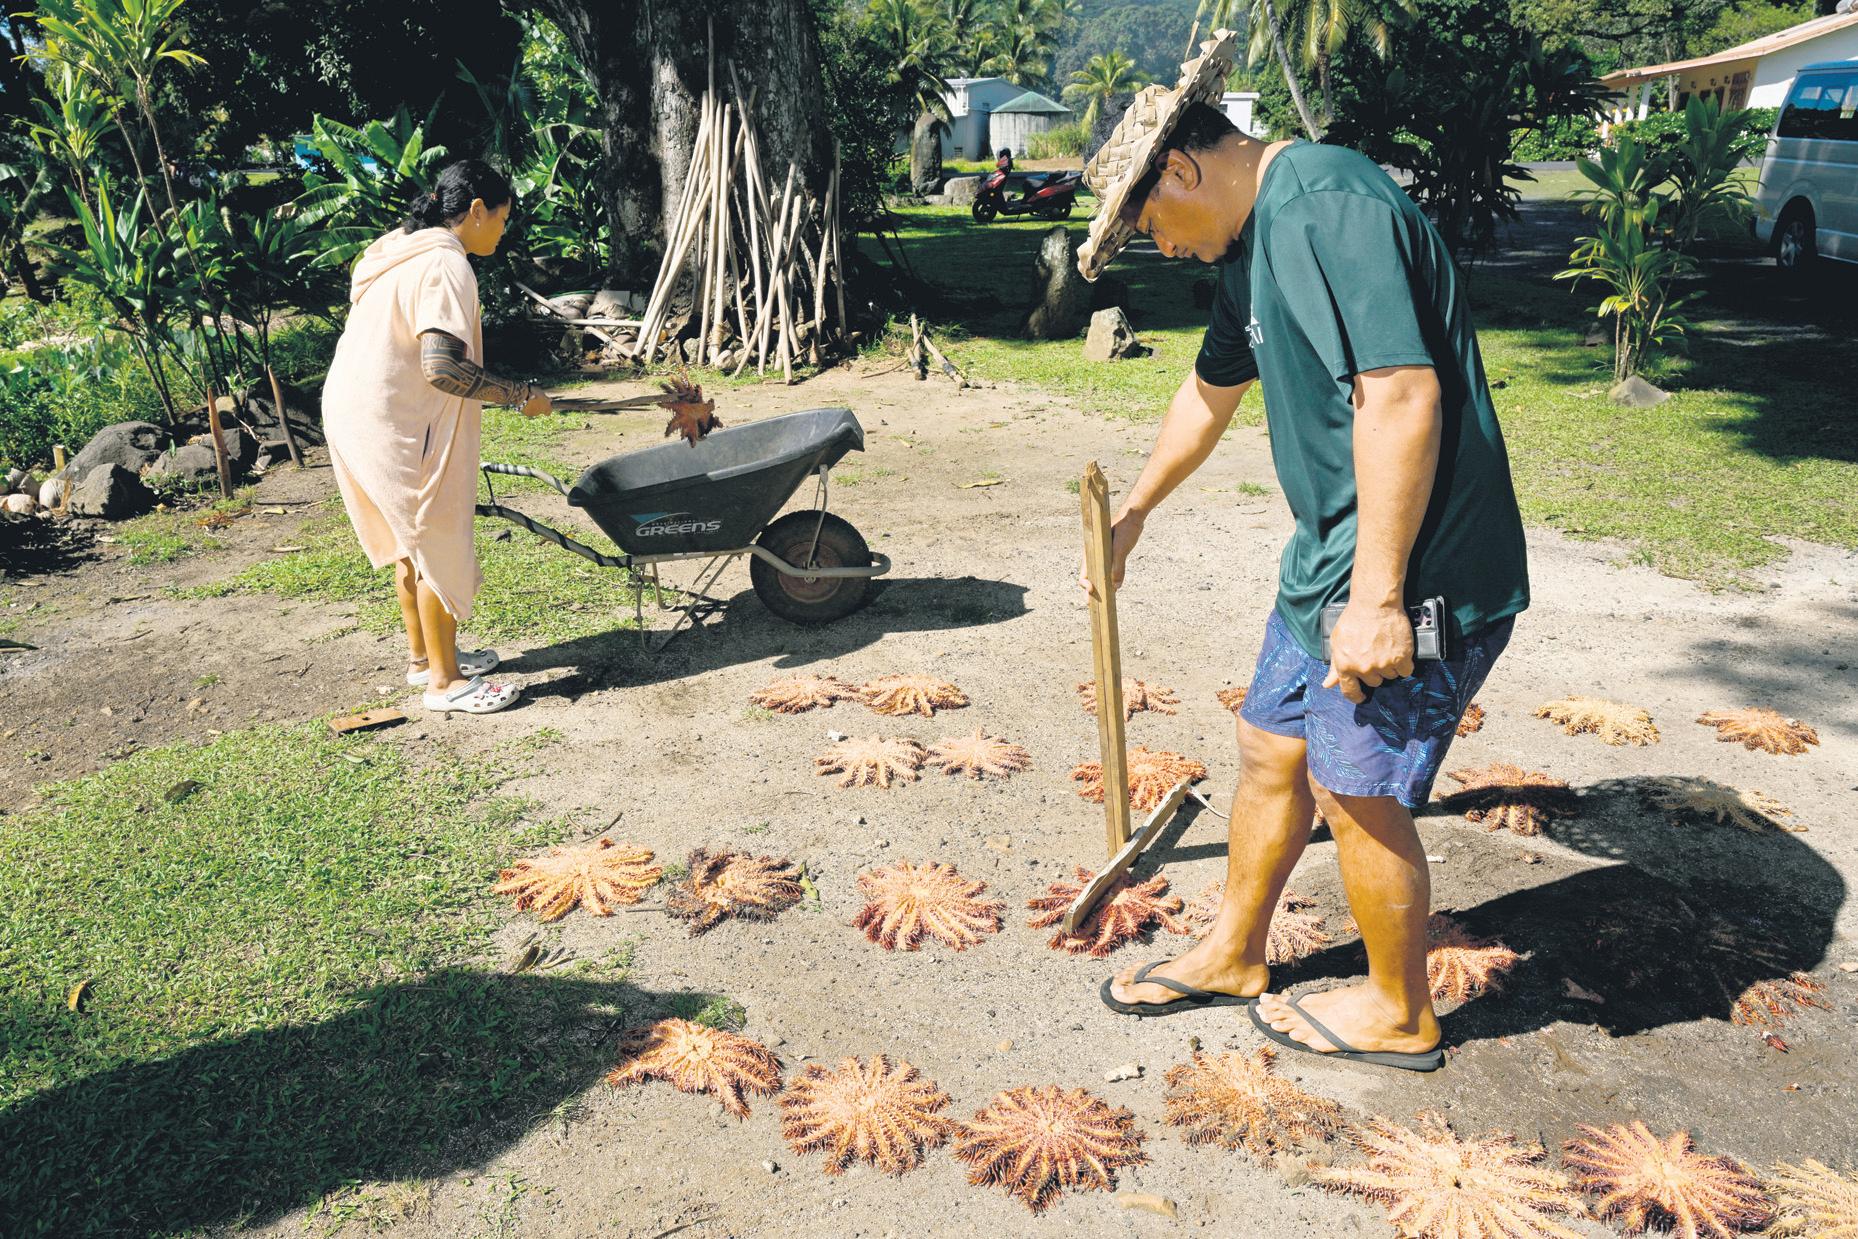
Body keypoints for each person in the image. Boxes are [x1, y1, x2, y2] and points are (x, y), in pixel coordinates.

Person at [1076, 32, 1529, 1072]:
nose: (1162, 247)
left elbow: (1401, 392)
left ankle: (1398, 1011)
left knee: (1354, 785)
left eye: (1148, 222)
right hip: (1328, 557)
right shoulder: (1244, 251)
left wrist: (1376, 599)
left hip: (1415, 570)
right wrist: (1135, 512)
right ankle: (1234, 951)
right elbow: (1208, 390)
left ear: (1181, 169)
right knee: (1268, 747)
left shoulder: (1326, 202)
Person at [322, 159, 550, 716]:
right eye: (501, 218)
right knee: (434, 536)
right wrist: (520, 395)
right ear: (475, 211)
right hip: (394, 420)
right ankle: (446, 685)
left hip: (353, 409)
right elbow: (442, 367)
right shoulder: (447, 263)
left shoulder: (400, 249)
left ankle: (425, 659)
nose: (502, 230)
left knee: (409, 537)